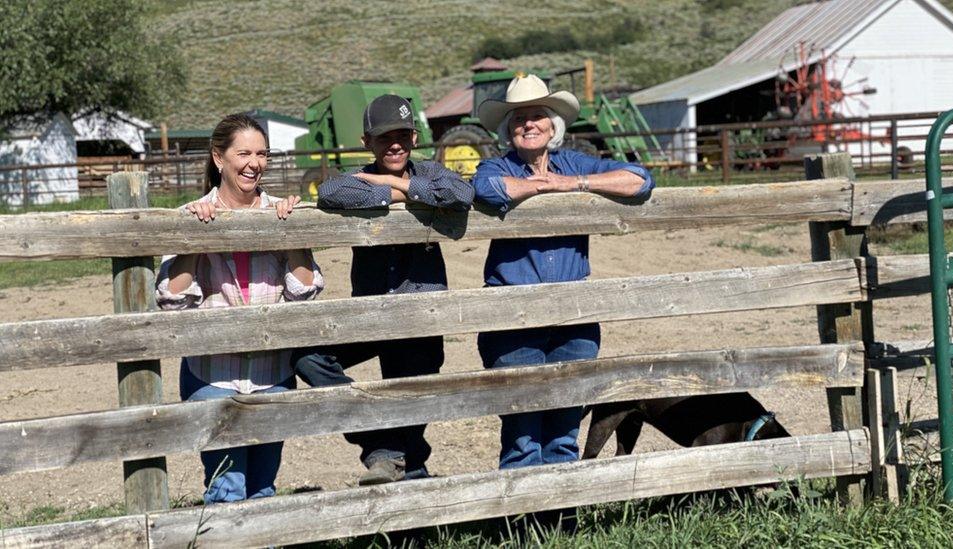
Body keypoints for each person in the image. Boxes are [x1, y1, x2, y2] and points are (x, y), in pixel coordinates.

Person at [471, 74, 654, 470]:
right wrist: (542, 187)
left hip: (574, 316)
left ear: (554, 125)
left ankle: (559, 523)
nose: (529, 125)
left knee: (565, 430)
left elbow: (640, 181)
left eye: (538, 116)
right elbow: (487, 189)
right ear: (508, 129)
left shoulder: (573, 163)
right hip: (514, 319)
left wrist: (574, 183)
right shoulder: (495, 166)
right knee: (522, 432)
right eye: (519, 119)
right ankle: (522, 525)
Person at [291, 94, 474, 485]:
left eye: (403, 136)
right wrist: (405, 192)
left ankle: (399, 477)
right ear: (366, 142)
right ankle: (379, 446)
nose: (395, 144)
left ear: (414, 138)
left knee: (409, 411)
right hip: (371, 315)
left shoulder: (433, 172)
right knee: (308, 357)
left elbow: (461, 194)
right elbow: (330, 193)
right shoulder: (354, 179)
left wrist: (391, 182)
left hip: (419, 315)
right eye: (384, 137)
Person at [155, 113, 324, 504]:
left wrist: (293, 232)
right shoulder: (192, 215)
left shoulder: (281, 213)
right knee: (226, 489)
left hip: (272, 373)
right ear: (219, 158)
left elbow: (303, 292)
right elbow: (172, 298)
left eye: (262, 154)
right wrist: (195, 237)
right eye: (244, 153)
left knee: (264, 490)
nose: (254, 163)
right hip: (212, 375)